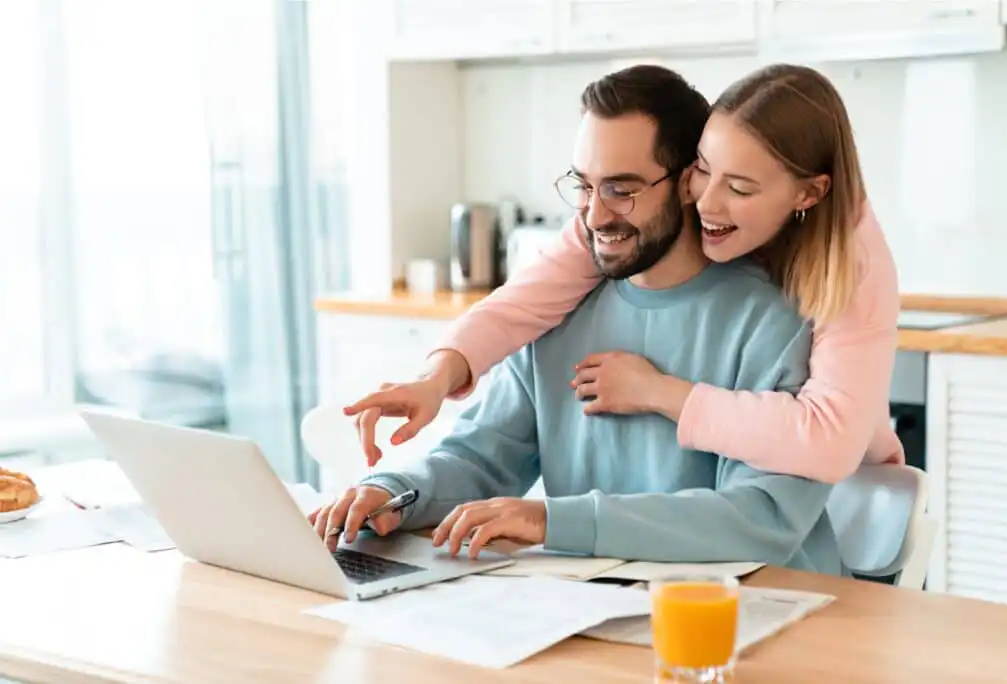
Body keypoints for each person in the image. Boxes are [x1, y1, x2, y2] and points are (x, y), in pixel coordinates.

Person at [311, 65, 844, 575]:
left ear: (689, 183)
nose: (594, 215)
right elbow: (480, 457)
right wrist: (395, 493)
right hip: (603, 607)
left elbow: (759, 519)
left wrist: (552, 519)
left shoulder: (774, 321)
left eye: (621, 189)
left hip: (763, 614)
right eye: (584, 186)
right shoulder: (560, 307)